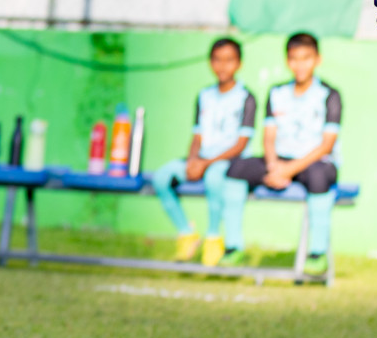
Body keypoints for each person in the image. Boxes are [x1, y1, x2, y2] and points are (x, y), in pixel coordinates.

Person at [220, 32, 341, 277]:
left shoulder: (330, 95)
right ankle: (233, 247)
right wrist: (274, 165)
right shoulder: (277, 93)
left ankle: (316, 254)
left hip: (314, 162)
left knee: (319, 177)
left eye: (306, 58)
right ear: (287, 61)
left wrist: (289, 170)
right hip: (280, 161)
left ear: (318, 59)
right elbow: (269, 136)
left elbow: (326, 145)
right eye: (294, 58)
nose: (300, 65)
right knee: (235, 169)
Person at [146, 38, 255, 266]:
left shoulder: (246, 98)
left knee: (215, 178)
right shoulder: (204, 95)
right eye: (217, 60)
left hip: (228, 161)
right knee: (161, 177)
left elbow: (241, 143)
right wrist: (193, 160)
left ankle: (213, 237)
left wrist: (206, 164)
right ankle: (186, 233)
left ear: (239, 64)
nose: (222, 66)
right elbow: (197, 135)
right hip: (203, 158)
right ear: (210, 62)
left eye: (229, 60)